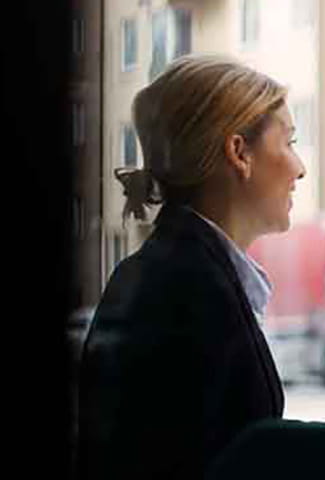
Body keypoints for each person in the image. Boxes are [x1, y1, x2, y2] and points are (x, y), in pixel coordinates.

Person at [78, 55, 306, 479]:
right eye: (289, 142)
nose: (300, 168)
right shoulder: (186, 288)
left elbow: (242, 443)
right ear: (239, 152)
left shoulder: (185, 270)